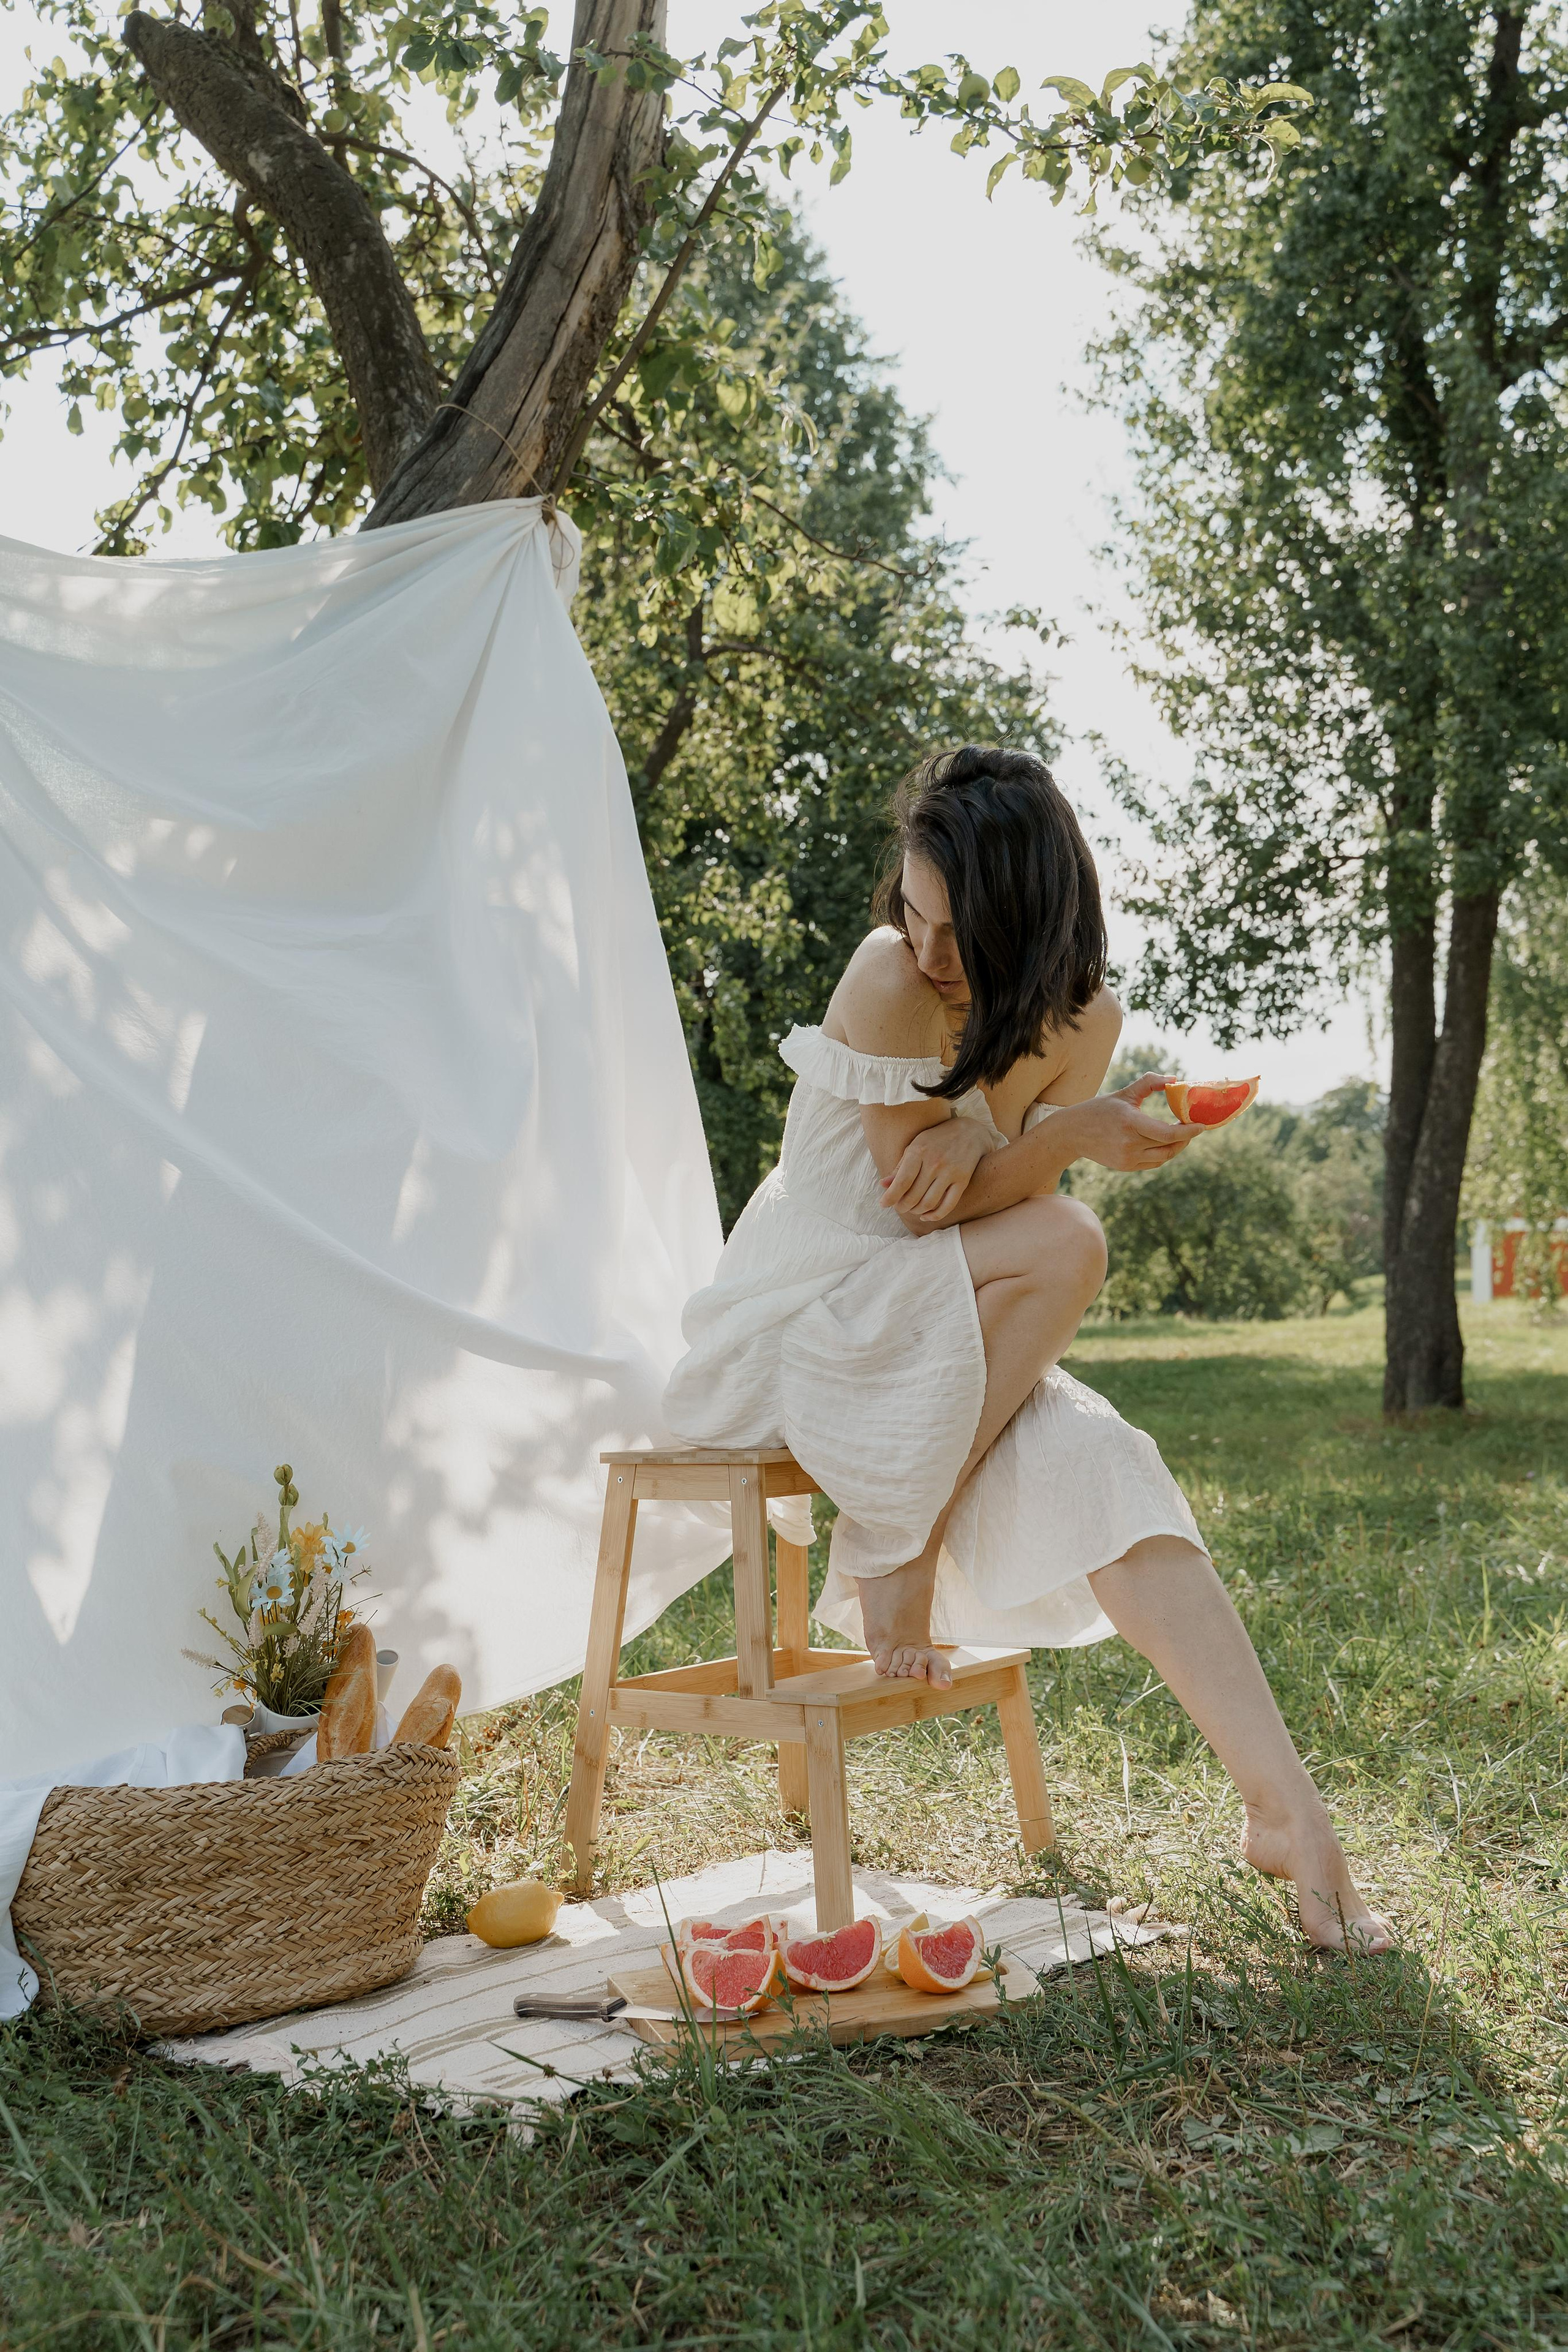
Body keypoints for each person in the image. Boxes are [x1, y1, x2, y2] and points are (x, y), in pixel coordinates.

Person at [664, 744, 1392, 1955]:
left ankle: (1289, 1818)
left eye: (956, 929)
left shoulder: (1084, 1022)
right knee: (1068, 1239)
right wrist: (1050, 1147)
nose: (927, 950)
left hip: (947, 1319)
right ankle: (900, 1542)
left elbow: (977, 1201)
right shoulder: (887, 979)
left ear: (1031, 915)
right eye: (911, 910)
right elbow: (915, 1203)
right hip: (806, 1315)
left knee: (1106, 1460)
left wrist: (1030, 1142)